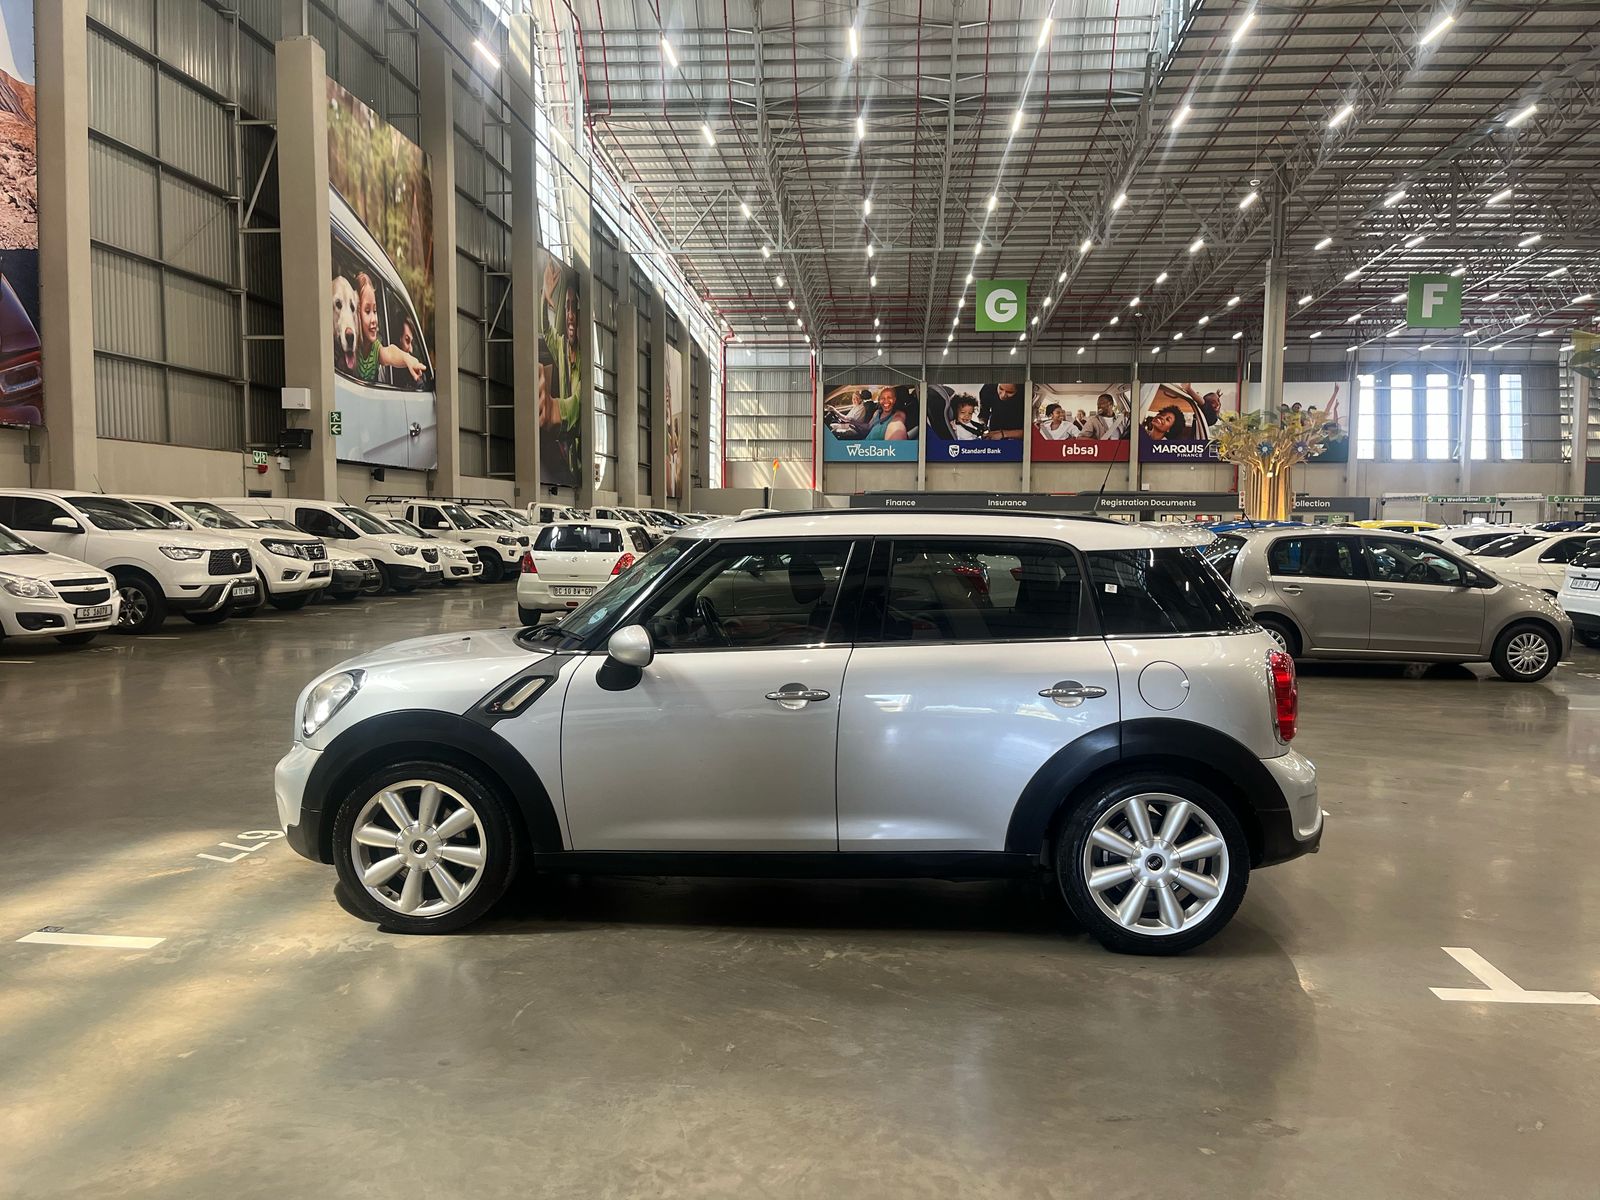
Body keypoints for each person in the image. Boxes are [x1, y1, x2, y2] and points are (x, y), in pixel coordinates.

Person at [354, 272, 424, 385]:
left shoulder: (375, 349)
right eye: (367, 311)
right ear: (356, 314)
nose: (374, 319)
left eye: (375, 311)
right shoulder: (353, 347)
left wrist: (408, 359)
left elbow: (391, 353)